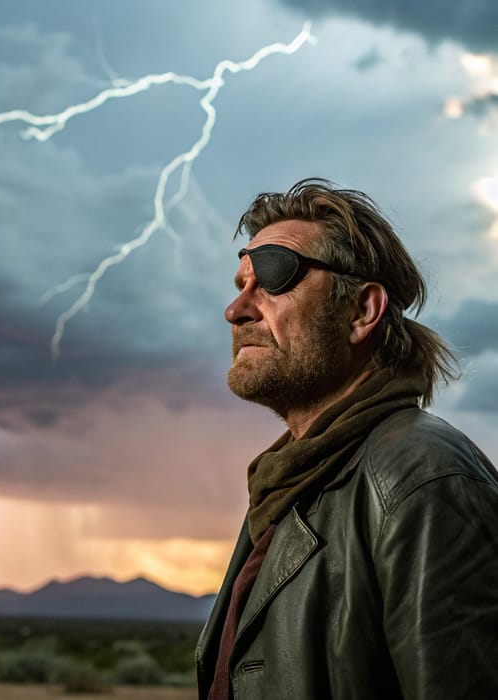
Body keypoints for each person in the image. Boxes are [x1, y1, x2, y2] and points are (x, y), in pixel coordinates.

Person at [195, 179, 498, 699]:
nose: (237, 309)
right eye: (240, 283)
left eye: (271, 276)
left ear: (361, 312)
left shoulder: (421, 477)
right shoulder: (288, 484)